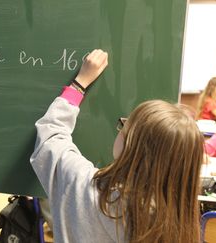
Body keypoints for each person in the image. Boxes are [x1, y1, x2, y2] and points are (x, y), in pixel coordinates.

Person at [30, 49, 204, 243]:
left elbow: (51, 136)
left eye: (124, 126)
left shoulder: (85, 187)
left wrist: (79, 84)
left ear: (131, 147)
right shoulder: (178, 221)